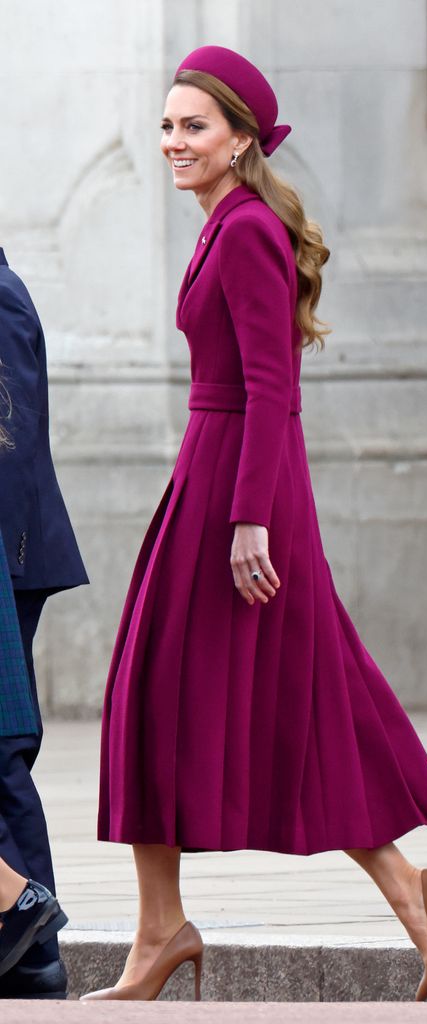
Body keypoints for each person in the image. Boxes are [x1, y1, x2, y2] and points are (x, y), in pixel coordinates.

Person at [83, 46, 427, 1004]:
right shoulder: (224, 225)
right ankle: (408, 897)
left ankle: (163, 933)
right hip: (215, 479)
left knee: (161, 693)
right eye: (169, 124)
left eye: (196, 126)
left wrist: (249, 522)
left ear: (241, 141)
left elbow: (274, 388)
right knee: (306, 701)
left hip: (240, 494)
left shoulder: (251, 231)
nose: (175, 141)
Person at [0, 251, 89, 999]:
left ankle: (33, 944)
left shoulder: (0, 295)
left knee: (2, 747)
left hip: (9, 555)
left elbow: (11, 445)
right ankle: (32, 954)